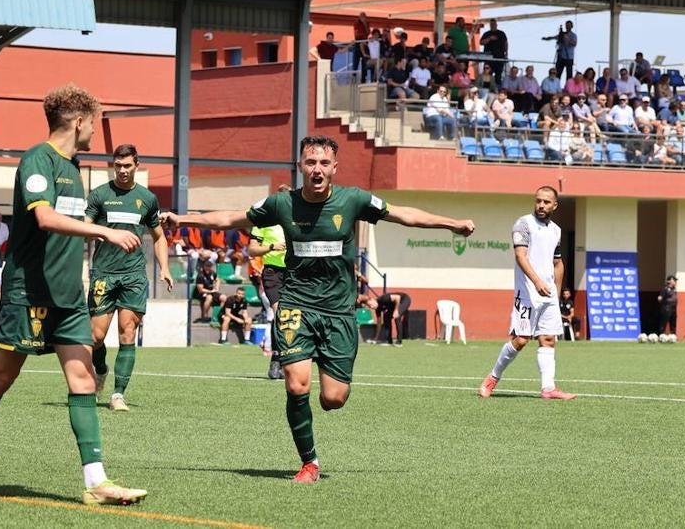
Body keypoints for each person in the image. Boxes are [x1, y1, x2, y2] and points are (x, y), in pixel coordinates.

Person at [162, 135, 475, 484]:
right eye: (310, 162)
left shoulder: (353, 199)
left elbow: (404, 215)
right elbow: (232, 217)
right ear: (300, 166)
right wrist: (183, 219)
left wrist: (451, 223)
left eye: (324, 163)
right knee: (296, 386)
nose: (317, 169)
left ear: (334, 168)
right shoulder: (282, 203)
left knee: (333, 398)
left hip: (339, 312)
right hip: (296, 304)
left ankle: (329, 388)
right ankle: (309, 462)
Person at [0, 83, 146, 507]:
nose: (95, 131)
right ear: (78, 122)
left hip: (68, 296)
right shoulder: (37, 160)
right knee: (1, 378)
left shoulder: (74, 170)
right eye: (93, 122)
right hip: (28, 291)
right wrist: (104, 230)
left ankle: (96, 481)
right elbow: (43, 217)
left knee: (83, 379)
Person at [85, 143, 173, 413]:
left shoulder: (147, 199)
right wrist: (100, 232)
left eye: (127, 165)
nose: (122, 171)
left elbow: (159, 237)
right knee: (95, 336)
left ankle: (118, 395)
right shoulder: (99, 195)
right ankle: (100, 369)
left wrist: (164, 268)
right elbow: (85, 229)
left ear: (137, 165)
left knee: (127, 331)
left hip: (134, 275)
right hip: (104, 273)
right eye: (118, 166)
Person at [479, 186, 576, 401]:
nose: (541, 205)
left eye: (546, 202)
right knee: (521, 340)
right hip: (527, 293)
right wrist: (537, 281)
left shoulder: (556, 230)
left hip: (548, 294)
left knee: (549, 339)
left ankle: (548, 388)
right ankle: (492, 378)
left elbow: (558, 263)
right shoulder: (523, 224)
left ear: (555, 205)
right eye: (538, 201)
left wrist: (556, 295)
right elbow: (520, 257)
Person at [248, 210, 288, 379]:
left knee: (295, 317)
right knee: (280, 314)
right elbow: (251, 250)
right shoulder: (262, 223)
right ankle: (276, 359)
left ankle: (289, 361)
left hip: (295, 272)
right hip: (273, 272)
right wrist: (272, 246)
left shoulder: (297, 220)